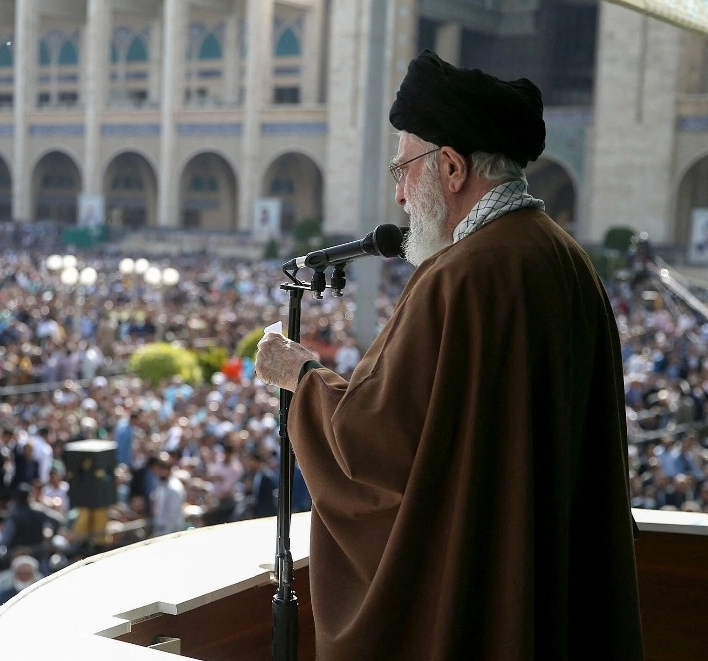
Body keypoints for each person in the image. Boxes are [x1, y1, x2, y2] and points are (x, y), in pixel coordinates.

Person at [255, 49, 643, 659]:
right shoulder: (568, 260)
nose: (402, 195)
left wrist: (301, 378)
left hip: (484, 592)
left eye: (402, 170)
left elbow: (371, 445)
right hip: (555, 581)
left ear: (453, 168)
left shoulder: (460, 276)